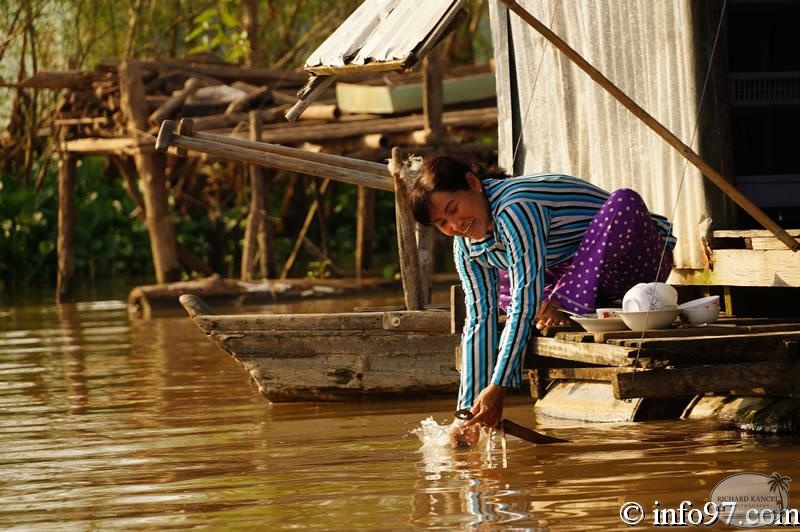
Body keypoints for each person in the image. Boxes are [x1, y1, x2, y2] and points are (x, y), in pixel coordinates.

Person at [409, 153, 676, 447]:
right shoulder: (466, 245)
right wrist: (467, 413)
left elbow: (523, 304)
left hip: (635, 262)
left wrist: (498, 387)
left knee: (625, 200)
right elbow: (479, 319)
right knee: (501, 286)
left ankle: (563, 301)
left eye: (453, 209)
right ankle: (557, 299)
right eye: (441, 223)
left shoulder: (515, 208)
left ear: (473, 184)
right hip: (573, 278)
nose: (455, 226)